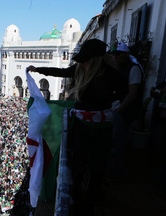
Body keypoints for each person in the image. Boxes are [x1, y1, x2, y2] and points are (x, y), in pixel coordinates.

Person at [27, 39, 124, 216]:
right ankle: (76, 202)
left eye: (86, 59)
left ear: (96, 60)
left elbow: (124, 94)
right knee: (78, 165)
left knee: (97, 168)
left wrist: (115, 106)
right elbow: (60, 72)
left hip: (102, 129)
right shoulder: (80, 70)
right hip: (81, 126)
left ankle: (90, 205)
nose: (83, 62)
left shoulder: (112, 75)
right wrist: (38, 69)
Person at [107, 41, 144, 178]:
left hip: (124, 111)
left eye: (118, 54)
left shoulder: (133, 69)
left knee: (118, 142)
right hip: (117, 109)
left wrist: (119, 110)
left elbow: (132, 93)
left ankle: (117, 172)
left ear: (126, 54)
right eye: (114, 54)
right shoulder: (119, 67)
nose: (115, 57)